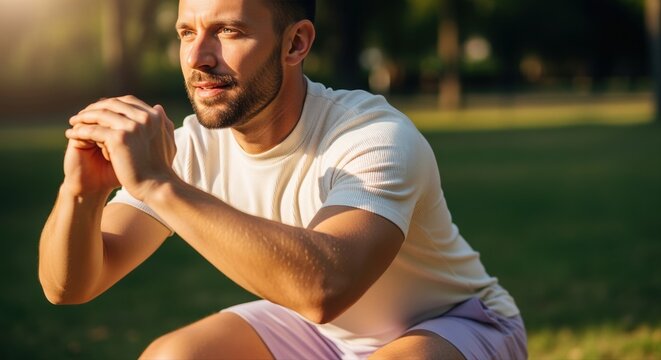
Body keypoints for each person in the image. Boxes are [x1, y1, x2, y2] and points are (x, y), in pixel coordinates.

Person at [38, 0, 528, 358]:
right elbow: (70, 286)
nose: (197, 57)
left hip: (455, 323)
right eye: (187, 33)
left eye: (227, 31)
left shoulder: (373, 135)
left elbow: (324, 289)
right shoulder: (187, 149)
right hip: (324, 337)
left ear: (296, 43)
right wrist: (80, 193)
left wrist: (159, 185)